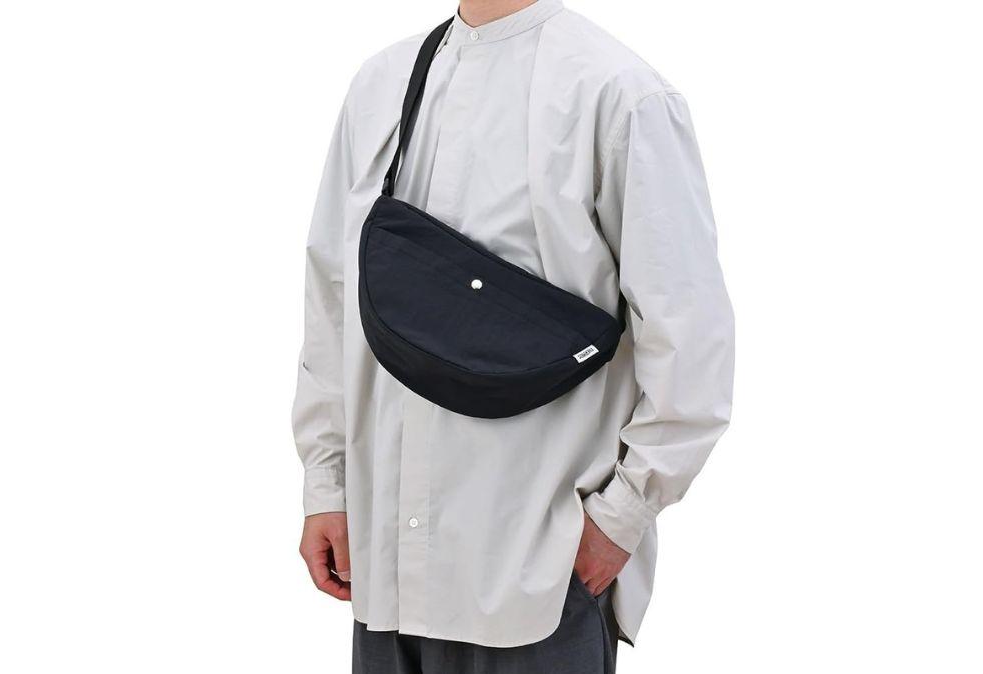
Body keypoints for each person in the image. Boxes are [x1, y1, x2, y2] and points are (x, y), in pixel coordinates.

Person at [293, 1, 734, 671]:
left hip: (536, 583)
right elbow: (333, 301)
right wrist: (327, 487)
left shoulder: (619, 93)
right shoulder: (381, 85)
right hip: (385, 576)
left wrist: (620, 519)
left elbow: (690, 342)